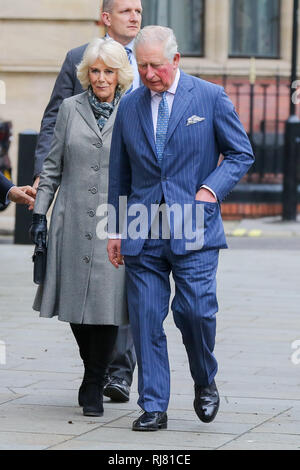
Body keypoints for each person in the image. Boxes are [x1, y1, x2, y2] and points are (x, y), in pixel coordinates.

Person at [107, 26, 254, 431]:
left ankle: (205, 379)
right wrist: (114, 230)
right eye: (142, 66)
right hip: (142, 226)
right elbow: (119, 174)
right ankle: (153, 404)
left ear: (175, 60)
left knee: (194, 311)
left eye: (156, 65)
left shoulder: (208, 97)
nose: (149, 73)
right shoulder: (131, 106)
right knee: (146, 317)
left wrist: (211, 189)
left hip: (194, 223)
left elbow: (241, 153)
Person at [32, 0, 143, 403]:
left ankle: (110, 376)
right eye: (126, 9)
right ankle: (97, 371)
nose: (100, 77)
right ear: (106, 16)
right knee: (78, 301)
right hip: (74, 210)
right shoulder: (74, 76)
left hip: (118, 216)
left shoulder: (142, 80)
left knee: (113, 301)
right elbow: (52, 131)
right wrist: (41, 197)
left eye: (139, 10)